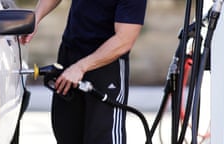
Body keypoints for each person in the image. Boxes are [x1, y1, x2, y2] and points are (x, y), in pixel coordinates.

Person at [20, 0, 147, 143]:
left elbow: (124, 40)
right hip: (69, 54)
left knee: (103, 138)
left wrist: (80, 67)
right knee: (66, 133)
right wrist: (36, 17)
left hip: (106, 67)